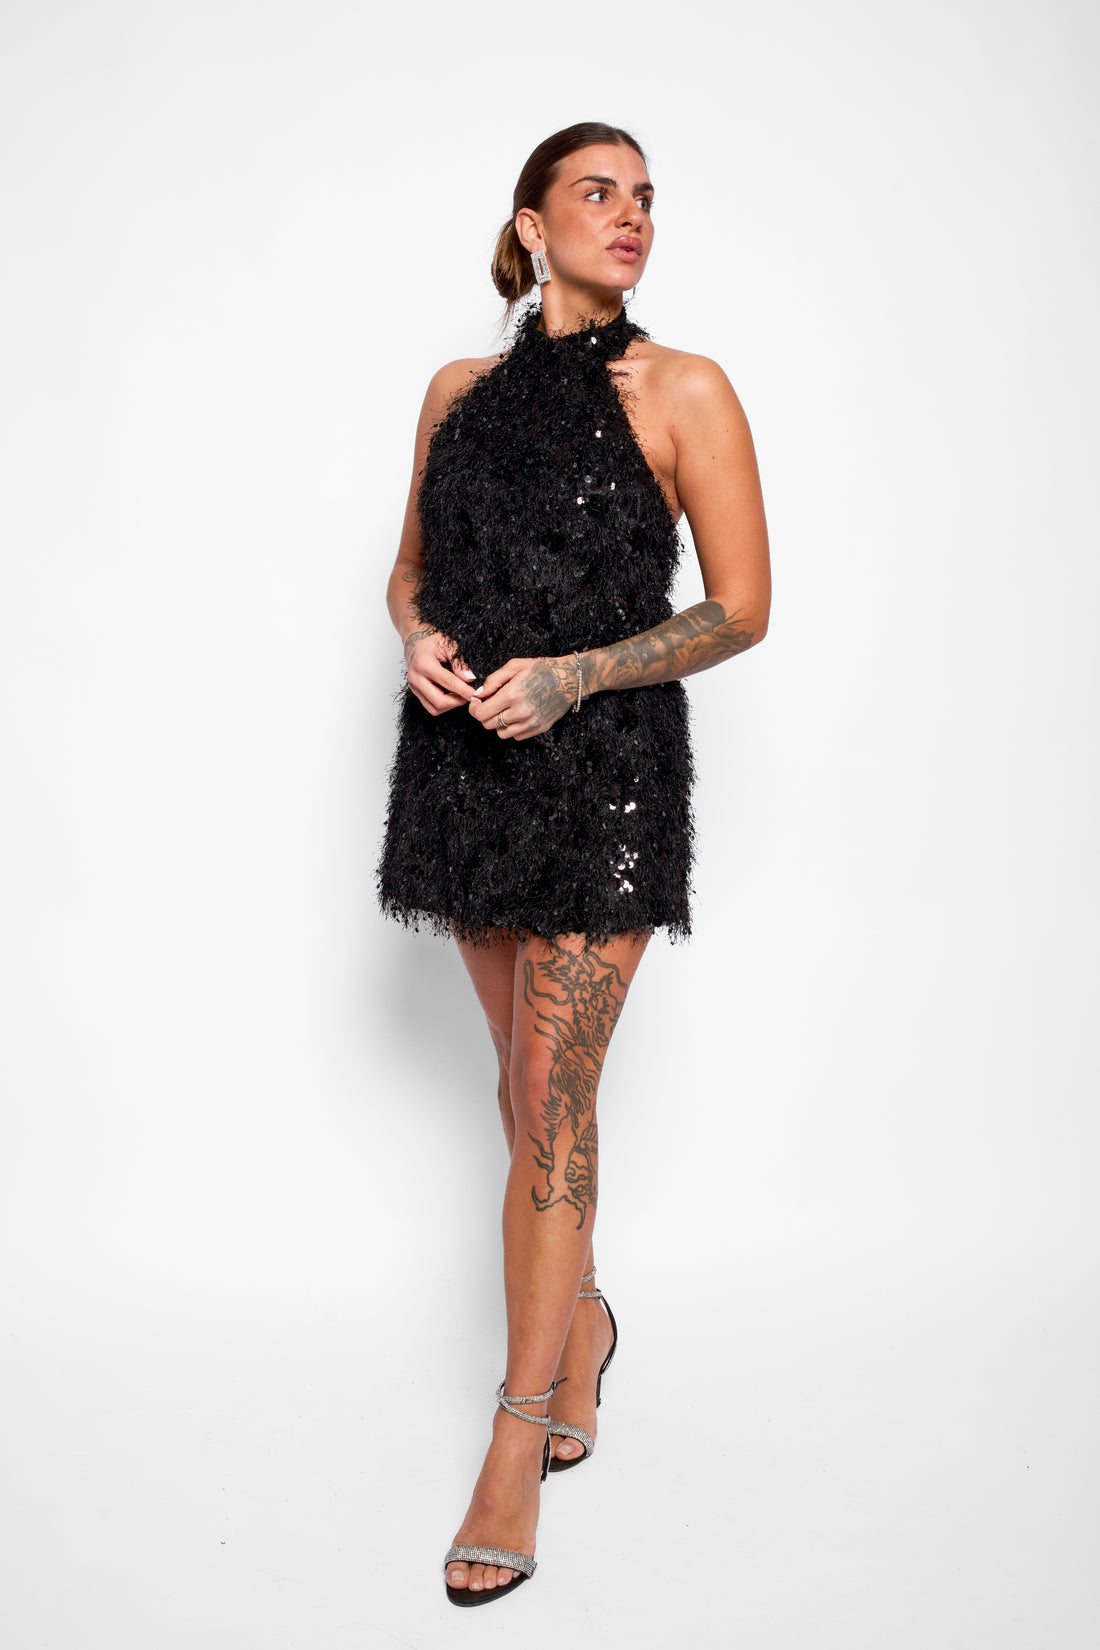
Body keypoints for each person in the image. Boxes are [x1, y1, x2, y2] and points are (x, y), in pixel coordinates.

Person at [377, 121, 771, 1606]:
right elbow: (409, 568)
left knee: (553, 1101)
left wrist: (580, 673)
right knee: (516, 1082)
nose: (632, 216)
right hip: (464, 766)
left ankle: (516, 1431)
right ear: (532, 227)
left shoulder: (685, 388)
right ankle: (585, 1319)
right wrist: (417, 636)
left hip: (605, 776)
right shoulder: (455, 393)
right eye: (598, 193)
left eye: (646, 197)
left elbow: (741, 607)